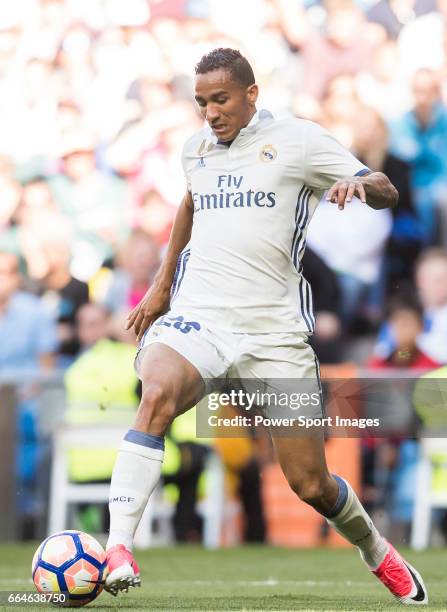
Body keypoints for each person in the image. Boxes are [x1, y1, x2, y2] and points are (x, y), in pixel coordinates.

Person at [104, 48, 427, 605]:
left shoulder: (299, 140)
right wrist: (160, 288)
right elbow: (190, 204)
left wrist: (361, 187)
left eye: (221, 99)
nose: (211, 112)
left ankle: (375, 548)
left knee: (310, 483)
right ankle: (117, 548)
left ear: (252, 95)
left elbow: (386, 189)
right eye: (202, 102)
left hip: (273, 333)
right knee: (155, 393)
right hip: (199, 318)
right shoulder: (196, 150)